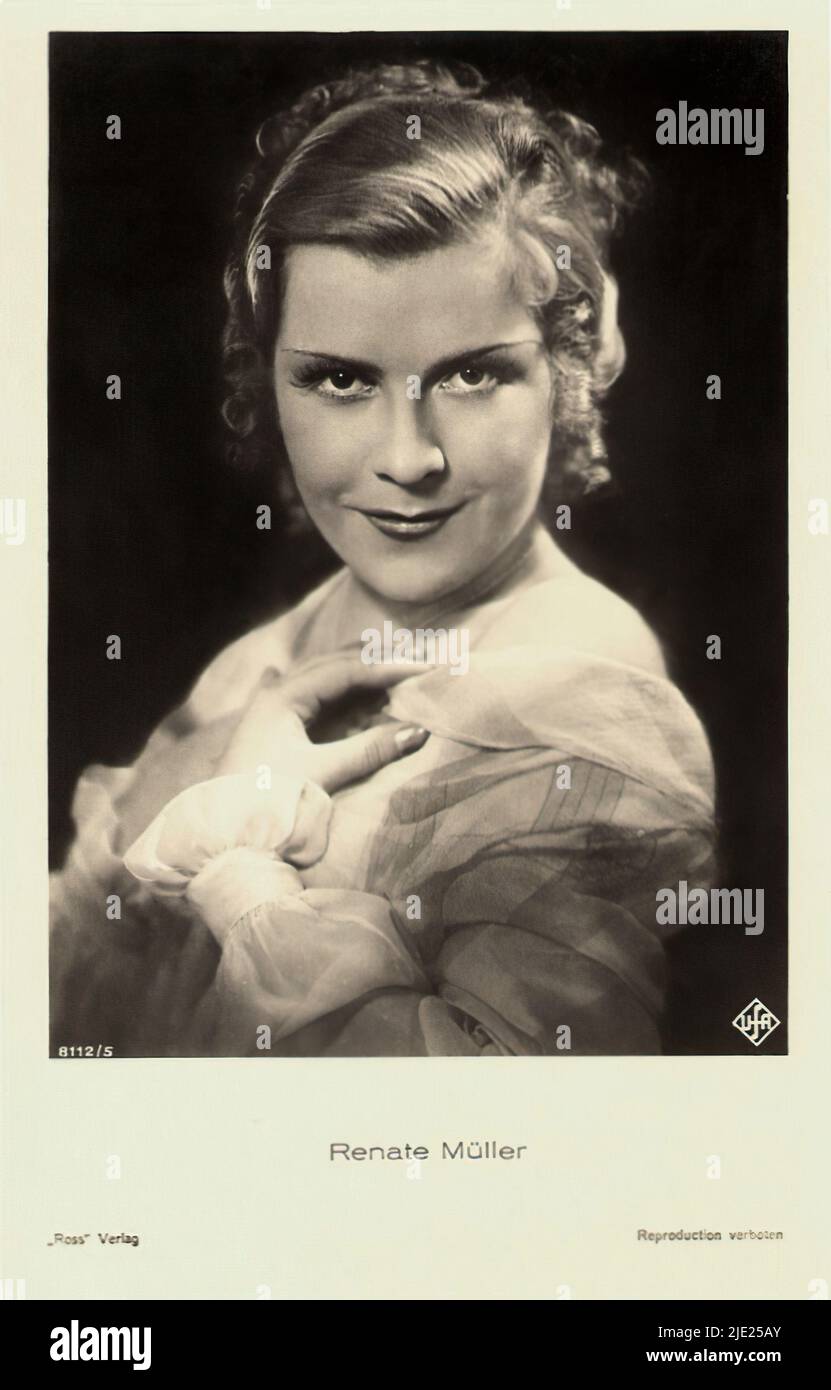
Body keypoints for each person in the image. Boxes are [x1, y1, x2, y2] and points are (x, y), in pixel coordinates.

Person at [49, 59, 716, 1058]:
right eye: (339, 380)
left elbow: (506, 1118)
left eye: (474, 373)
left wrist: (236, 871)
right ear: (267, 380)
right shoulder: (264, 656)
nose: (409, 460)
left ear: (569, 367)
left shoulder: (579, 694)